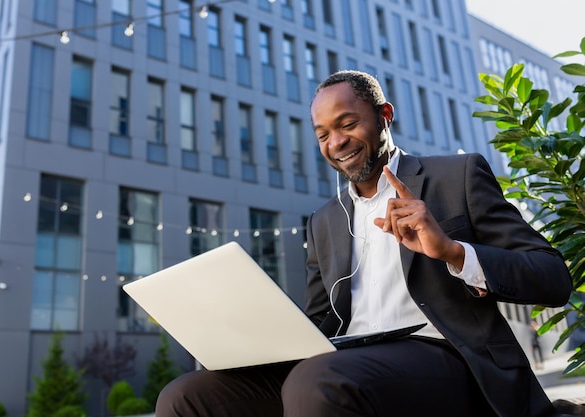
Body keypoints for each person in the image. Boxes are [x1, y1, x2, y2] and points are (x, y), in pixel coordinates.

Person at [156, 70, 578, 416]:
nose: (335, 143)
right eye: (322, 134)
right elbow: (321, 322)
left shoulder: (457, 176)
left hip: (449, 360)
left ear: (384, 116)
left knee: (318, 380)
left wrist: (453, 252)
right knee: (186, 396)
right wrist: (250, 339)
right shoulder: (323, 221)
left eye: (347, 124)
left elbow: (553, 277)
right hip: (345, 362)